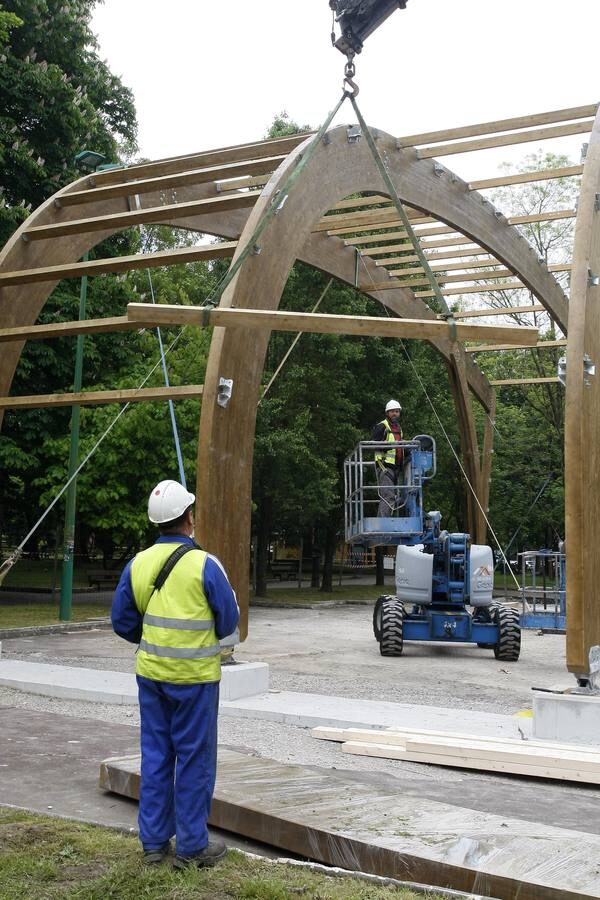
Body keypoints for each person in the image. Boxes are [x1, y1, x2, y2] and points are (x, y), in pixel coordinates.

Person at [111, 479, 239, 869]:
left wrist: (150, 637)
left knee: (156, 757)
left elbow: (122, 622)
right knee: (194, 761)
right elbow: (230, 620)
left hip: (151, 677)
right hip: (196, 680)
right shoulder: (205, 564)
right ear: (189, 518)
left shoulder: (137, 564)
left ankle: (153, 845)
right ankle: (191, 848)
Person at [372, 399, 404, 517]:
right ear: (387, 413)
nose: (395, 414)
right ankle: (382, 525)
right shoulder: (382, 426)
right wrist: (384, 446)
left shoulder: (398, 429)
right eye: (392, 412)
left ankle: (388, 522)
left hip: (397, 468)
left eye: (397, 411)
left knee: (400, 498)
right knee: (388, 496)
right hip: (385, 467)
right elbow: (372, 444)